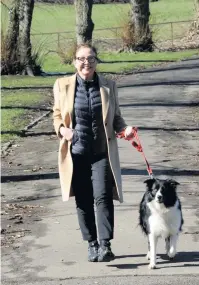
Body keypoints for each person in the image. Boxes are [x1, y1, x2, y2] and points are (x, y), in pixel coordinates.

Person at [53, 43, 135, 262]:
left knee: (103, 196)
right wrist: (63, 130)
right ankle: (91, 244)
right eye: (81, 58)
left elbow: (116, 117)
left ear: (96, 61)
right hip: (76, 153)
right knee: (84, 199)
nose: (86, 63)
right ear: (74, 62)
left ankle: (105, 244)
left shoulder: (108, 86)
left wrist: (124, 130)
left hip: (101, 152)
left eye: (90, 58)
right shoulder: (63, 85)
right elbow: (57, 115)